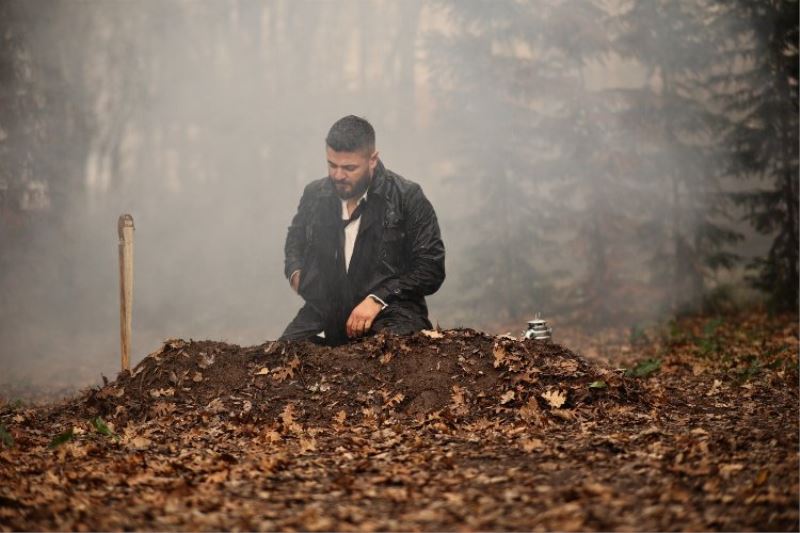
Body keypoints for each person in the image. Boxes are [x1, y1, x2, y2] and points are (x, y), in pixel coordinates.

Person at [280, 115, 445, 345]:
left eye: (349, 168)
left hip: (394, 312)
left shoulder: (407, 196)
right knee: (278, 358)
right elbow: (295, 239)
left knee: (388, 355)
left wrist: (378, 298)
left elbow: (431, 268)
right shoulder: (315, 194)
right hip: (326, 309)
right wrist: (297, 274)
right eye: (332, 165)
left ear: (373, 159)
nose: (338, 175)